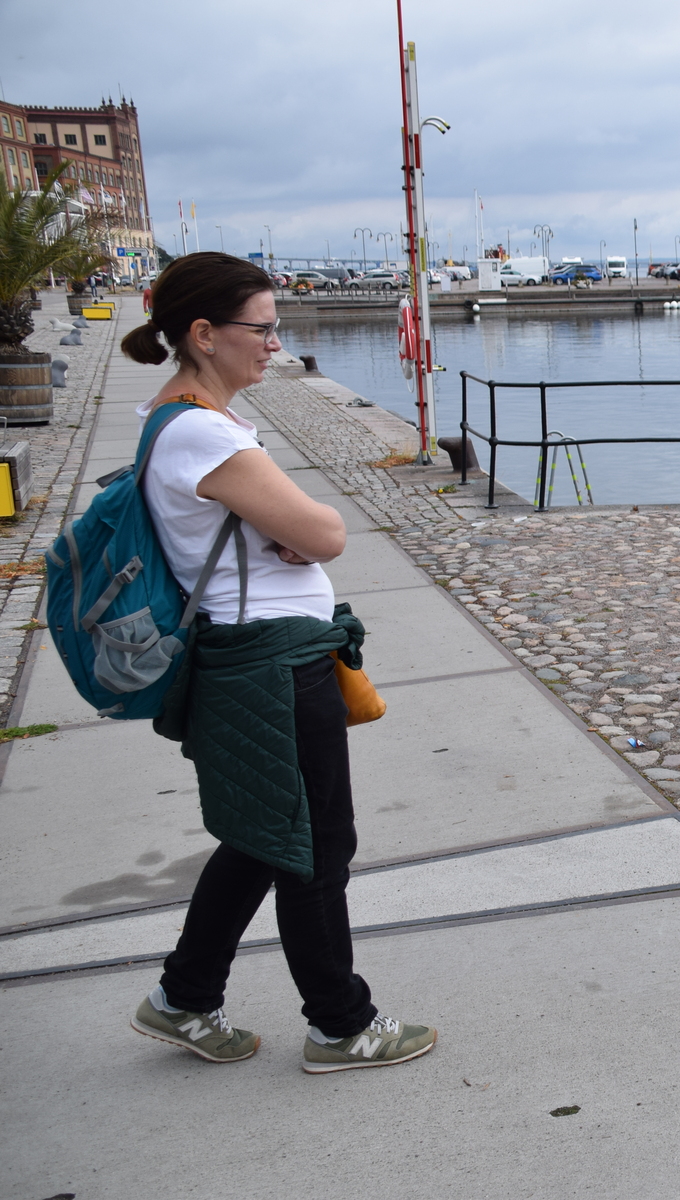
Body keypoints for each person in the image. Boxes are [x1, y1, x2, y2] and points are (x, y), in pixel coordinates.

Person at [118, 251, 436, 1073]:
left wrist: (285, 529)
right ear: (203, 333)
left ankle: (184, 996)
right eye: (260, 329)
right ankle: (342, 1025)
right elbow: (326, 532)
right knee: (316, 847)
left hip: (257, 658)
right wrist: (300, 529)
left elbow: (278, 530)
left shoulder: (179, 421)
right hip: (272, 667)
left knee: (264, 837)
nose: (274, 344)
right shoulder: (201, 430)